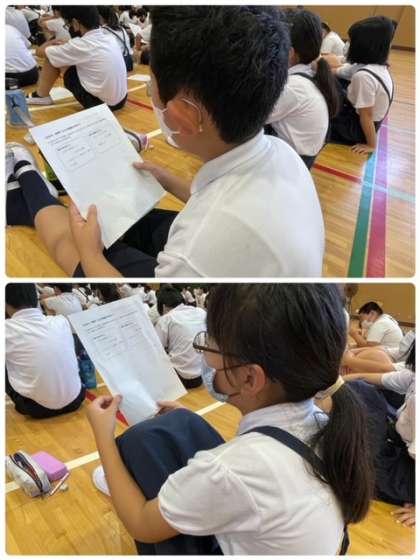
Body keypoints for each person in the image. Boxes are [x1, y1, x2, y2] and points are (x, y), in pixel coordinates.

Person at [6, 6, 325, 279]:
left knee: (71, 240)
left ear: (183, 116)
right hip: (239, 255)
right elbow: (210, 199)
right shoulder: (280, 153)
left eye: (152, 88)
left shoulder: (193, 250)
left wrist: (90, 254)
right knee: (122, 223)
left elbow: (126, 295)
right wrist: (166, 178)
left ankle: (27, 177)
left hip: (213, 257)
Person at [86, 284, 374, 554]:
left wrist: (104, 438)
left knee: (137, 445)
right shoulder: (325, 422)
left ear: (250, 378)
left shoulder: (233, 469)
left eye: (210, 349)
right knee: (183, 424)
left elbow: (141, 524)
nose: (206, 359)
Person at [344, 339, 415, 527]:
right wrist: (342, 380)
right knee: (360, 387)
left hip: (407, 474)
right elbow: (380, 377)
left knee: (361, 393)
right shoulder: (413, 377)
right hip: (402, 448)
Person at [265, 9, 340, 169]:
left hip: (291, 162)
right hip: (303, 155)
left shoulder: (294, 88)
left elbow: (256, 118)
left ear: (290, 53)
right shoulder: (312, 71)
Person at [6, 283, 85, 419]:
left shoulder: (6, 328)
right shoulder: (61, 321)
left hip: (35, 408)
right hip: (77, 398)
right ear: (35, 298)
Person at [26, 6, 128, 110]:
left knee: (53, 57)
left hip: (102, 105)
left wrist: (53, 41)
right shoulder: (109, 37)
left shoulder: (80, 45)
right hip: (121, 100)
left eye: (67, 24)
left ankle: (41, 95)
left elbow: (39, 52)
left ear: (75, 23)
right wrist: (68, 45)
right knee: (61, 56)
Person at [329, 16, 394, 155]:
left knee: (320, 114)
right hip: (360, 119)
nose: (347, 44)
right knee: (332, 80)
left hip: (356, 129)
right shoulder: (374, 65)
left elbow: (367, 116)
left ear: (362, 46)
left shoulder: (364, 76)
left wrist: (371, 144)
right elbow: (339, 72)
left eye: (350, 41)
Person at [155, 287, 206, 388]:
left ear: (163, 306)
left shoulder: (166, 318)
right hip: (204, 373)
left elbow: (156, 348)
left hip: (181, 377)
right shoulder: (201, 312)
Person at [98, 5, 134, 72]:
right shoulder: (122, 29)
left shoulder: (102, 31)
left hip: (116, 65)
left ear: (100, 17)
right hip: (127, 62)